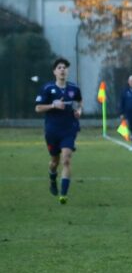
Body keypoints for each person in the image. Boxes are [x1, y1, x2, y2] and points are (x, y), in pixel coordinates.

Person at [34, 57, 83, 205]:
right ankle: (52, 178)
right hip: (52, 131)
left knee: (66, 159)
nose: (62, 70)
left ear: (67, 71)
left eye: (65, 67)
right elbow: (37, 108)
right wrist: (53, 106)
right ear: (54, 71)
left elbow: (79, 102)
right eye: (59, 67)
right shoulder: (47, 88)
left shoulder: (74, 88)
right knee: (54, 162)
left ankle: (63, 194)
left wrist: (79, 111)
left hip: (69, 129)